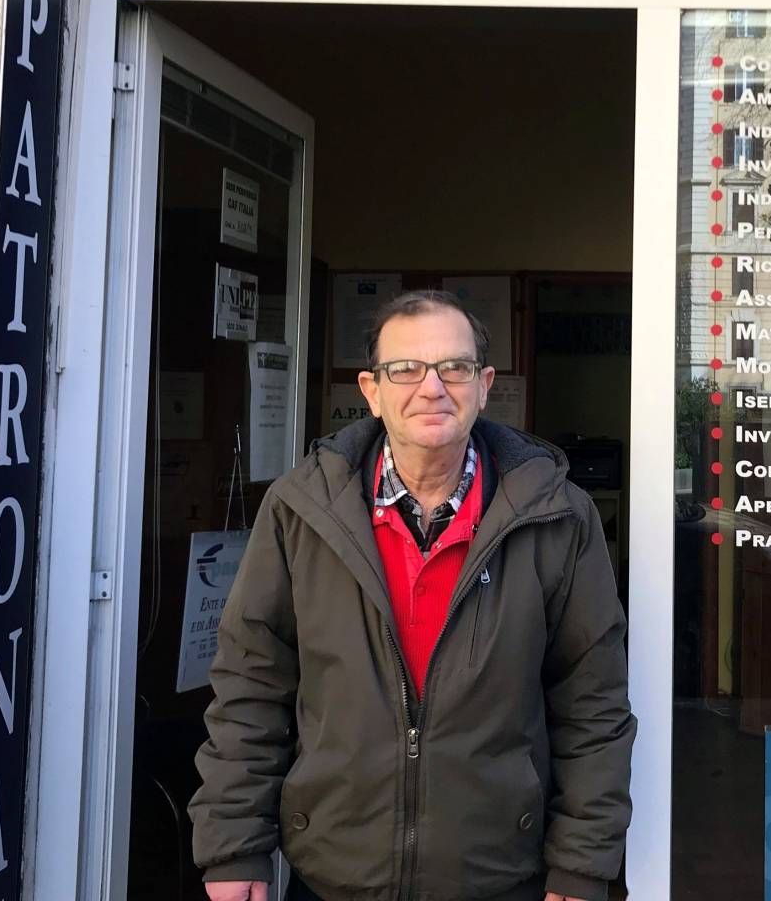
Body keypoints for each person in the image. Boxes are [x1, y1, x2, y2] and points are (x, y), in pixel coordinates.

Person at [190, 290, 635, 901]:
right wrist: (234, 847)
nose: (432, 387)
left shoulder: (557, 517)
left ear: (483, 385)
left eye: (453, 367)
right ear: (371, 391)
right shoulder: (301, 512)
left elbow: (593, 705)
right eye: (407, 369)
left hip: (500, 877)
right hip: (334, 876)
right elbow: (252, 687)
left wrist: (581, 867)